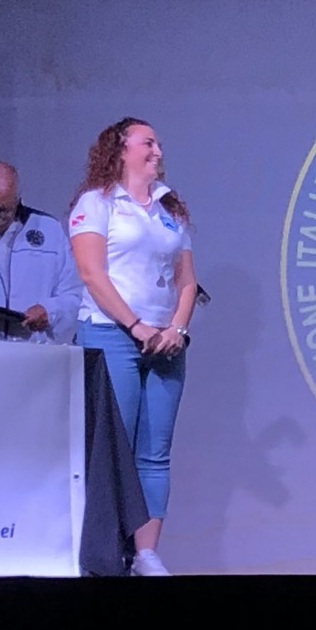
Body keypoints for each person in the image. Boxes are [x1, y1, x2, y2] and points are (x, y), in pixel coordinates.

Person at [69, 117, 197, 577]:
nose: (158, 151)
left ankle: (146, 553)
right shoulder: (97, 203)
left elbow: (187, 281)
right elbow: (91, 274)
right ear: (120, 149)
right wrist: (136, 325)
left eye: (159, 144)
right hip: (111, 334)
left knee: (155, 451)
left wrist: (177, 329)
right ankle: (105, 553)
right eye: (148, 142)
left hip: (165, 344)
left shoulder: (168, 208)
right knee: (111, 448)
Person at [0, 160, 81, 343]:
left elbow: (74, 294)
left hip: (32, 348)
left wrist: (49, 311)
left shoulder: (48, 229)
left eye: (4, 210)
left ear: (17, 200)